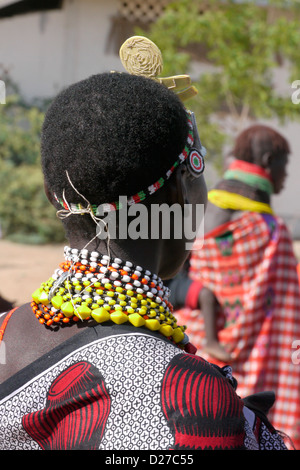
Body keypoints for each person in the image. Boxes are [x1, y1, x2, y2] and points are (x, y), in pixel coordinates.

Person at [0, 70, 288, 450]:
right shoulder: (190, 399)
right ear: (181, 189)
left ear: (52, 194)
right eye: (199, 167)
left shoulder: (6, 332)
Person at [174, 125, 300, 449]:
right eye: (285, 165)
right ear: (269, 161)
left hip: (197, 346)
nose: (286, 176)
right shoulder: (269, 227)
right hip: (260, 357)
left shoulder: (207, 206)